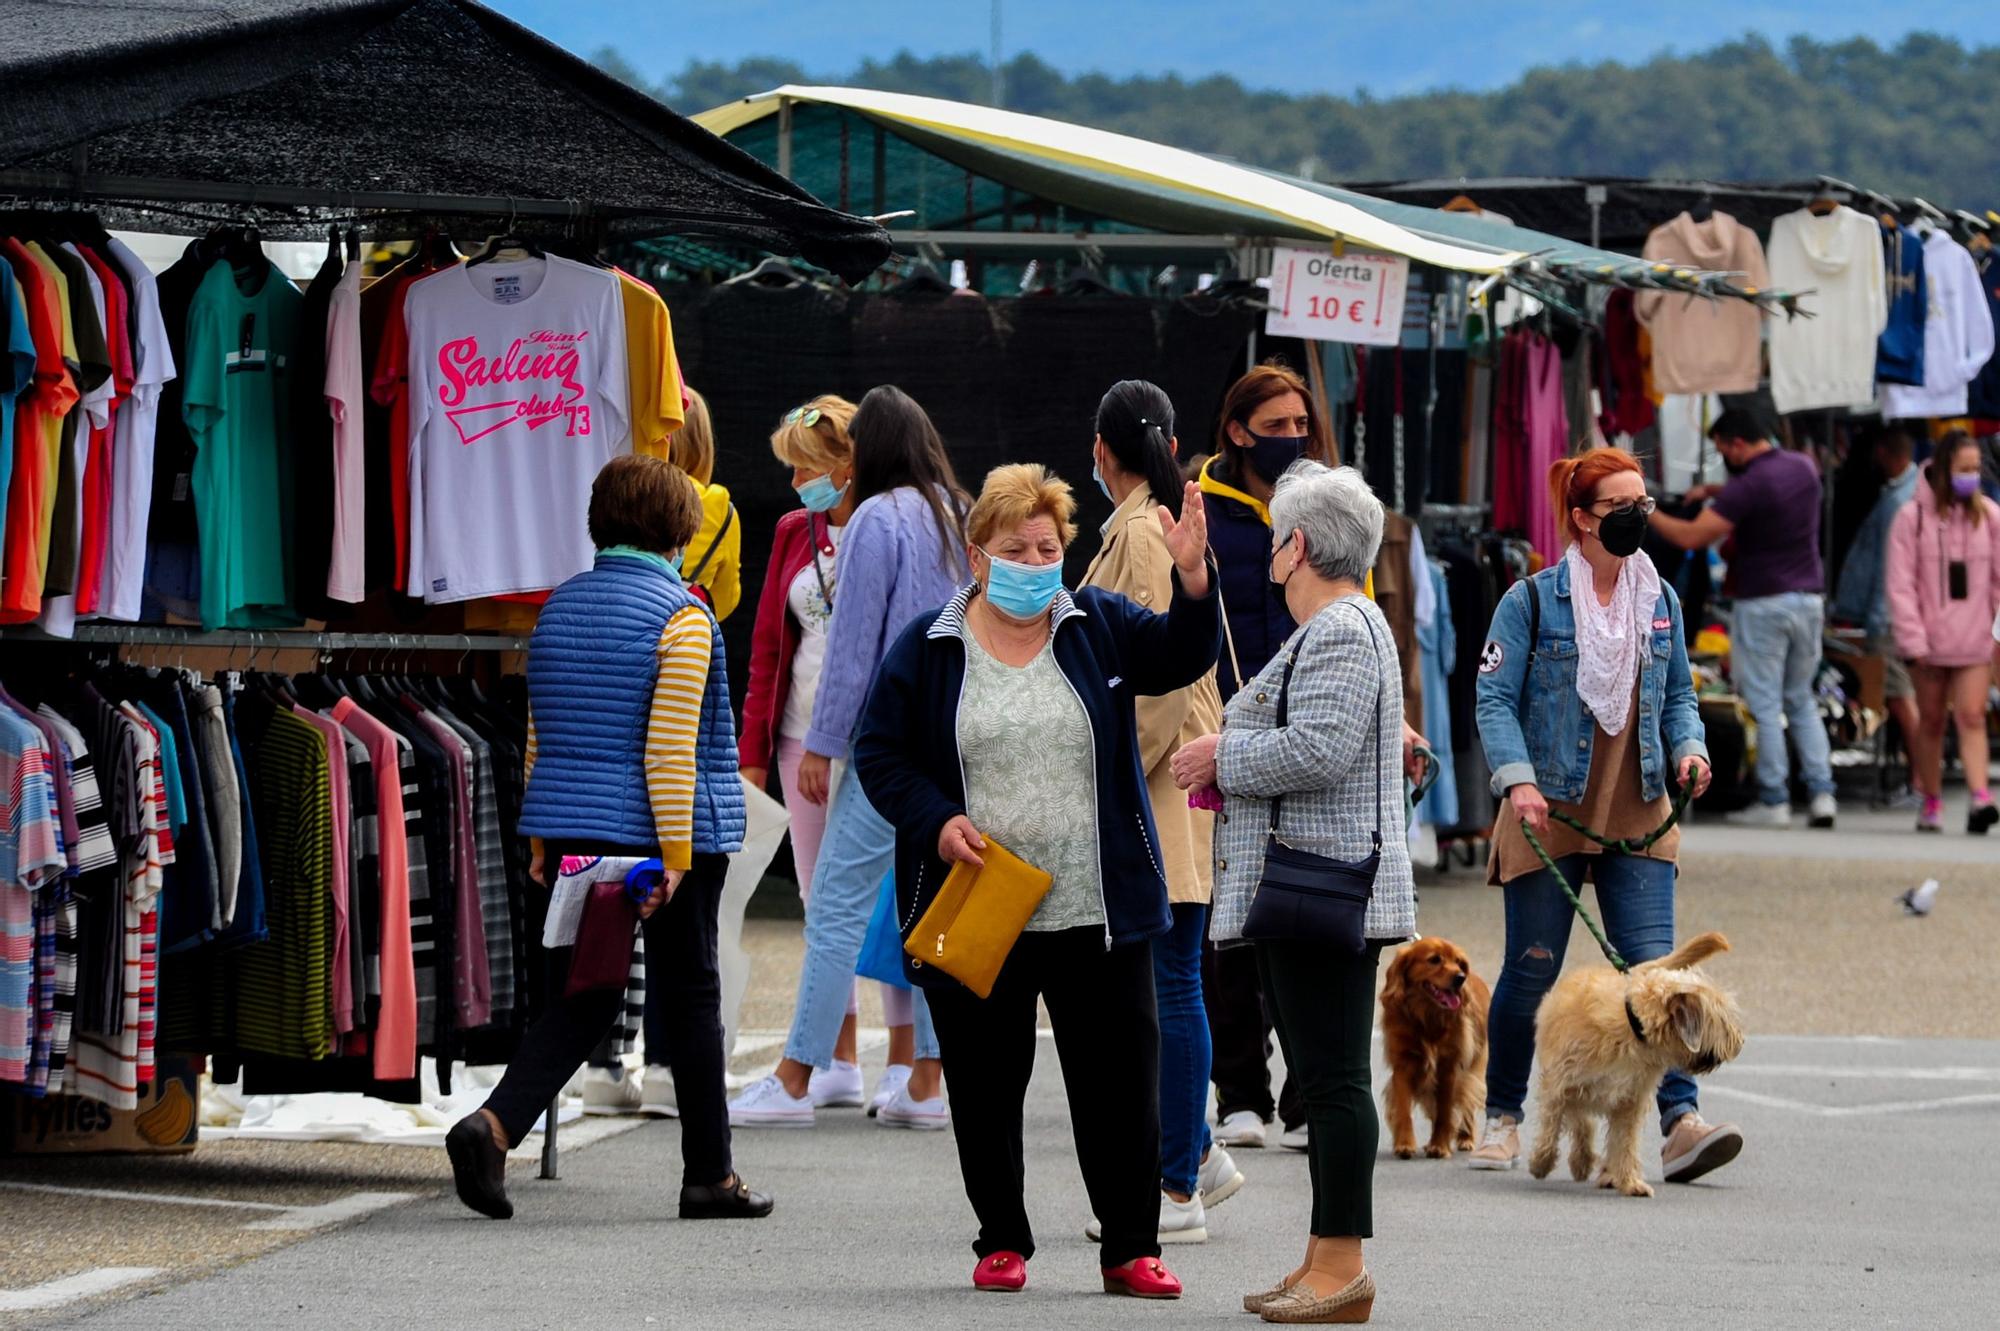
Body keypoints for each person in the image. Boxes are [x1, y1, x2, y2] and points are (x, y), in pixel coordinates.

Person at [853, 461, 1220, 1298]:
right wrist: (936, 817)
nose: (1035, 559)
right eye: (1016, 547)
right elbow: (880, 753)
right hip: (982, 901)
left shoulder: (1097, 622)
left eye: (1049, 545)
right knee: (984, 1081)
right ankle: (1001, 1238)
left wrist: (1194, 575)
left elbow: (1184, 653)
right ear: (978, 555)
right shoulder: (930, 643)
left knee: (1121, 1081)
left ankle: (1131, 1246)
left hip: (1098, 905)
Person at [445, 455, 768, 1221]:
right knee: (690, 997)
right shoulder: (682, 617)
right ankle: (710, 1176)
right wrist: (679, 858)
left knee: (584, 994)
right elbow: (668, 750)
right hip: (659, 839)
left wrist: (540, 833)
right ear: (681, 529)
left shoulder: (558, 607)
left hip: (572, 831)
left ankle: (492, 1127)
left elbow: (539, 729)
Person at [1169, 461, 1413, 1325]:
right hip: (1314, 884)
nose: (1269, 553)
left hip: (1324, 887)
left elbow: (1321, 748)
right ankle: (1320, 1256)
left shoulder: (1343, 626)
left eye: (1276, 539)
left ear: (1297, 546)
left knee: (1336, 1080)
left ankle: (1342, 1263)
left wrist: (1217, 757)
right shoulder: (1343, 625)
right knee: (1324, 1071)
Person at [1472, 447, 1739, 1186]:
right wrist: (1517, 781)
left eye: (1645, 504)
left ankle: (1680, 1122)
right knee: (1532, 973)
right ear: (1584, 518)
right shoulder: (1529, 600)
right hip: (1547, 810)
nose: (1639, 518)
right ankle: (1503, 1114)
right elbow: (1493, 699)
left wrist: (1690, 748)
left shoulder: (1661, 600)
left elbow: (1682, 695)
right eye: (1623, 507)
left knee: (1658, 975)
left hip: (1640, 805)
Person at [728, 386, 965, 1129]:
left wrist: (825, 744)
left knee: (833, 907)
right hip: (947, 741)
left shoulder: (873, 520)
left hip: (881, 744)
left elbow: (855, 649)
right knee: (926, 906)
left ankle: (798, 1075)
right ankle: (926, 1080)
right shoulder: (953, 512)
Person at [1078, 380, 1242, 1245]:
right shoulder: (1148, 524)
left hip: (1161, 787)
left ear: (1104, 450)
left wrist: (1101, 773)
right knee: (1174, 979)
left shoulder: (1141, 532)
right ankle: (1198, 1151)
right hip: (1172, 785)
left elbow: (1154, 678)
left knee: (1171, 983)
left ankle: (1176, 1184)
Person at [1196, 361, 1335, 1152]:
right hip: (1219, 732)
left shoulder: (1325, 504)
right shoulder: (1197, 507)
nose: (1291, 439)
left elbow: (1357, 605)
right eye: (1275, 425)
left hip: (1308, 731)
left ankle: (1309, 1090)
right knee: (1228, 924)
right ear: (1238, 429)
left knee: (1305, 913)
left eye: (1300, 426)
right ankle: (1240, 1092)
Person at [1649, 409, 1838, 828]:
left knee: (1766, 703)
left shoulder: (1747, 486)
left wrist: (1644, 510)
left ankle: (1775, 799)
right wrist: (1715, 490)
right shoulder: (1803, 468)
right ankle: (1823, 794)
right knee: (1801, 698)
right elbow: (1766, 494)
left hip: (1763, 601)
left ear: (1736, 443)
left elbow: (1691, 536)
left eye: (1723, 450)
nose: (1724, 458)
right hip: (1808, 598)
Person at [1886, 430, 2000, 834]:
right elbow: (1900, 585)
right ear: (1943, 470)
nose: (1972, 476)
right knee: (1931, 721)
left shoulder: (1988, 515)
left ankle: (1980, 797)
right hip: (1928, 644)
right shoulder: (1911, 518)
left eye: (1976, 469)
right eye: (1964, 469)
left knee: (1972, 716)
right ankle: (1931, 798)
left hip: (1975, 639)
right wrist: (1913, 641)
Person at [1831, 429, 1922, 802]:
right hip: (1895, 614)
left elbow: (1890, 568)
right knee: (1906, 698)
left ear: (1884, 453)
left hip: (1888, 618)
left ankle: (1921, 782)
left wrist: (1878, 619)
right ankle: (1921, 780)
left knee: (1901, 699)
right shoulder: (1905, 494)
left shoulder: (1900, 501)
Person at [671, 388, 743, 620]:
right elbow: (725, 598)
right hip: (684, 633)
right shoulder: (719, 506)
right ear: (701, 441)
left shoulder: (620, 486)